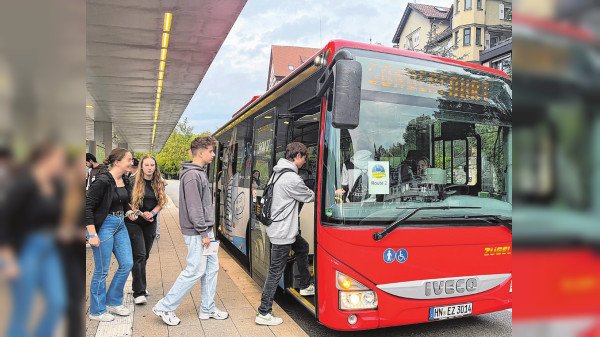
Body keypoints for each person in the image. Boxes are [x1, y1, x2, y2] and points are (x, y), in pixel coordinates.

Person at [152, 136, 228, 326]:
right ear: (200, 152)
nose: (213, 154)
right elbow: (194, 208)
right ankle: (165, 306)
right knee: (195, 270)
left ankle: (207, 308)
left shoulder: (198, 172)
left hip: (204, 231)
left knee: (211, 268)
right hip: (198, 232)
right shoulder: (193, 175)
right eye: (210, 151)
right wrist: (204, 233)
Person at [1, 141, 68, 336]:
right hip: (25, 250)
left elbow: (53, 218)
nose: (62, 162)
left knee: (57, 302)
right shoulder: (24, 185)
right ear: (44, 159)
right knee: (23, 310)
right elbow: (4, 220)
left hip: (50, 249)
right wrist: (8, 259)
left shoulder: (57, 184)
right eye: (59, 158)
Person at [255, 142, 315, 326]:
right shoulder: (291, 178)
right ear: (298, 156)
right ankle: (263, 312)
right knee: (275, 271)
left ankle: (305, 284)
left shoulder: (278, 172)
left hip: (281, 229)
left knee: (302, 247)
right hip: (283, 232)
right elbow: (310, 196)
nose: (305, 162)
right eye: (304, 158)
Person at [85, 148, 137, 322]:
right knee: (101, 271)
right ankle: (97, 311)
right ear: (117, 162)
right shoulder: (102, 181)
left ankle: (113, 301)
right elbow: (87, 207)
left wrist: (129, 212)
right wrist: (92, 234)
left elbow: (123, 203)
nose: (132, 163)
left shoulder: (125, 180)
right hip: (103, 226)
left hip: (120, 223)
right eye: (129, 160)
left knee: (127, 263)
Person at [126, 155, 167, 305]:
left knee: (145, 255)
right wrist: (140, 213)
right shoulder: (132, 182)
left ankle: (138, 282)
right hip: (134, 222)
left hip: (150, 222)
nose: (150, 167)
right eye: (147, 165)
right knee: (140, 254)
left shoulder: (158, 183)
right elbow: (128, 202)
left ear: (155, 167)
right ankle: (139, 292)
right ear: (141, 167)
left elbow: (161, 202)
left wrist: (153, 213)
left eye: (152, 165)